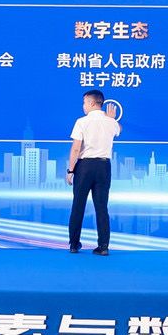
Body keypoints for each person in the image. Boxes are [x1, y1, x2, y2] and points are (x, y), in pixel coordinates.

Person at [67, 90, 120, 255]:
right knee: (102, 207)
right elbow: (119, 129)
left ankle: (74, 244)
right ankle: (103, 246)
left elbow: (76, 148)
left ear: (91, 103)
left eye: (84, 103)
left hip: (85, 167)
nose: (83, 106)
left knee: (78, 205)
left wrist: (70, 170)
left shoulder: (81, 122)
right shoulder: (111, 122)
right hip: (104, 167)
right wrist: (112, 119)